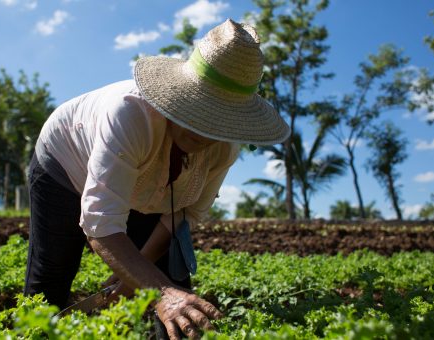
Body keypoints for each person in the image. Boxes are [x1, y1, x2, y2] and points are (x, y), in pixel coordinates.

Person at [24, 18, 290, 340]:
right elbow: (100, 222)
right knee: (50, 280)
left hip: (143, 188)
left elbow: (183, 215)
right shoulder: (131, 115)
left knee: (180, 304)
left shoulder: (224, 149)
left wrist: (139, 279)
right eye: (198, 109)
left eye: (217, 120)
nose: (204, 130)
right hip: (64, 165)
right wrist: (160, 292)